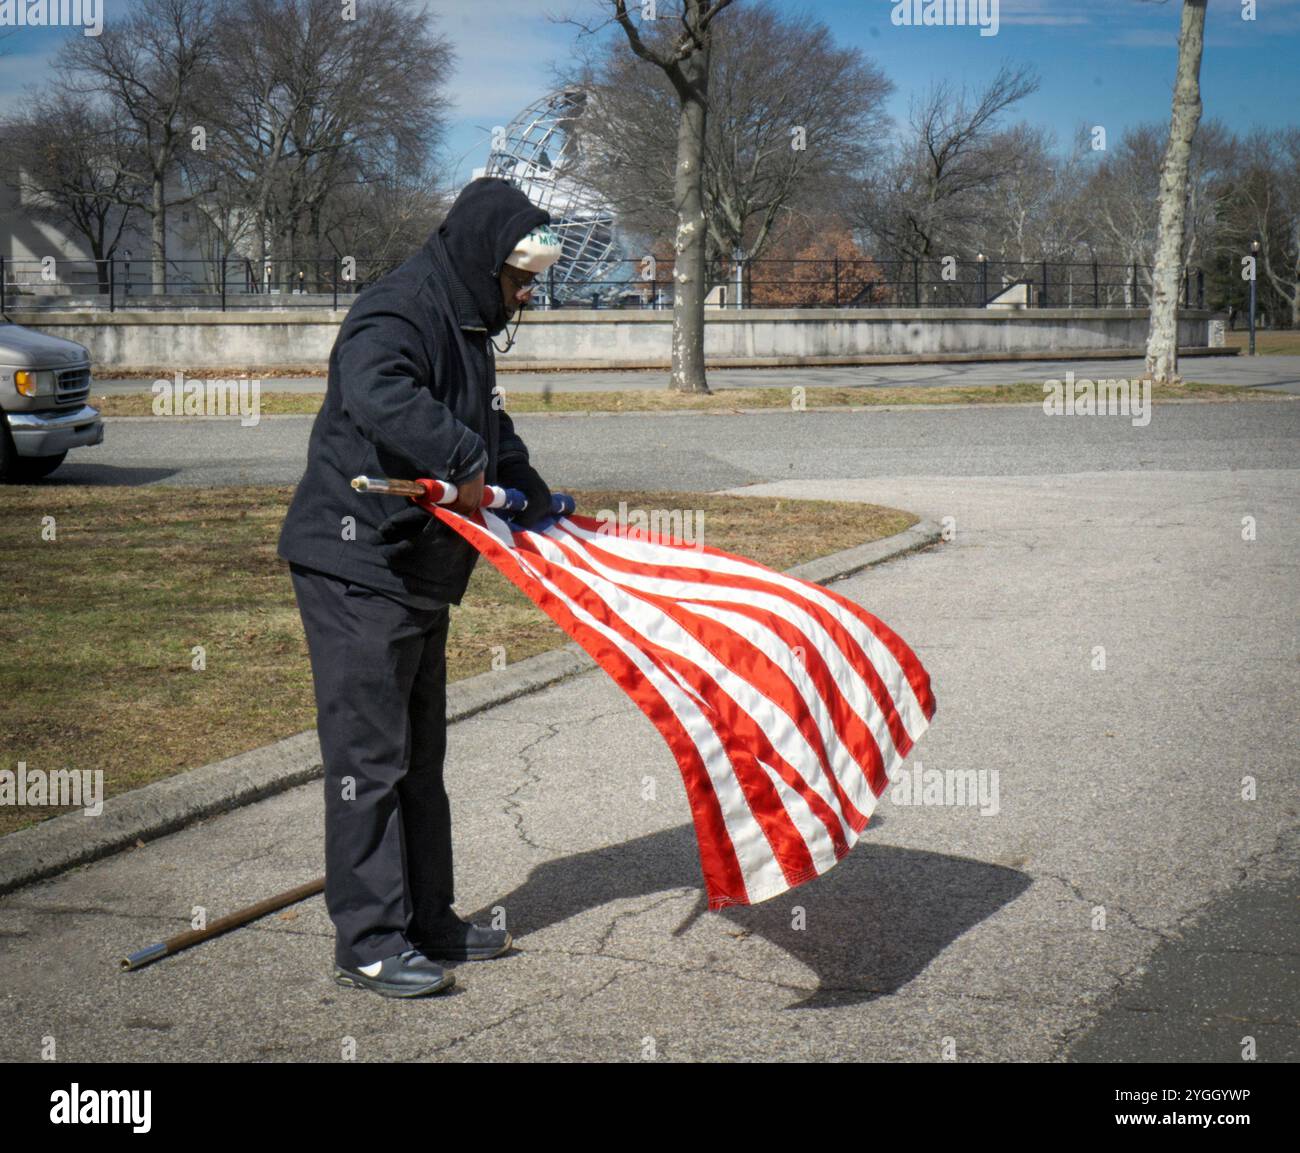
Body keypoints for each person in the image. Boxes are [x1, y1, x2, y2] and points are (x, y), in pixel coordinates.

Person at [277, 177, 564, 997]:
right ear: (485, 261)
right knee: (367, 759)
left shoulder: (469, 321)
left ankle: (428, 919)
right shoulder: (398, 309)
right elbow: (382, 393)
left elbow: (485, 418)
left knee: (418, 758)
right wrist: (465, 460)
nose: (525, 295)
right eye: (520, 280)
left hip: (417, 572)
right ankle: (367, 942)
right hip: (356, 564)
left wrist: (521, 480)